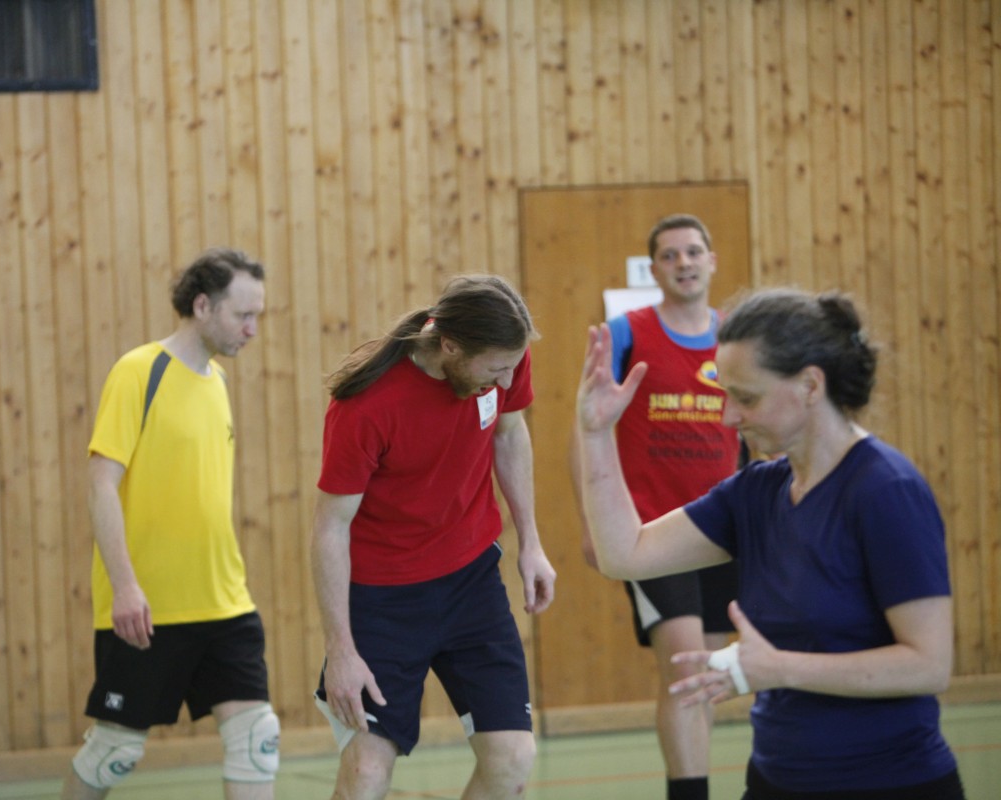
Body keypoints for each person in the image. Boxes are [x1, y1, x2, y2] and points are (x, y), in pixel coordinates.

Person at [575, 287, 964, 799]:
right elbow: (625, 554)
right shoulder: (755, 492)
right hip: (775, 779)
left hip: (889, 782)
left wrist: (779, 668)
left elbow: (928, 665)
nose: (728, 418)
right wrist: (597, 434)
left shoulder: (885, 490)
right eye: (726, 395)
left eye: (747, 398)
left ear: (810, 385)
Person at [311, 274, 557, 799]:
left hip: (471, 584)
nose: (507, 380)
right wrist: (341, 650)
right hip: (382, 601)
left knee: (512, 760)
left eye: (512, 367)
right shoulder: (366, 405)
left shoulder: (503, 357)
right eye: (495, 370)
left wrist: (531, 542)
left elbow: (510, 433)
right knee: (366, 774)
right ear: (449, 346)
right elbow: (330, 528)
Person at [62, 249, 278, 800]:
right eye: (242, 315)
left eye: (257, 316)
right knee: (113, 752)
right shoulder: (140, 371)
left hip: (225, 604)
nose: (252, 330)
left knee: (256, 739)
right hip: (148, 608)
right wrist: (125, 587)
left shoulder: (218, 382)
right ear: (202, 306)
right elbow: (101, 484)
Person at [569, 214, 741, 800]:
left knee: (708, 676)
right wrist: (593, 523)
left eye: (693, 251)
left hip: (721, 528)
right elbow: (584, 430)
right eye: (670, 255)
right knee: (685, 669)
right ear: (654, 269)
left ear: (711, 260)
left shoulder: (736, 337)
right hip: (652, 533)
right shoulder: (627, 334)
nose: (683, 263)